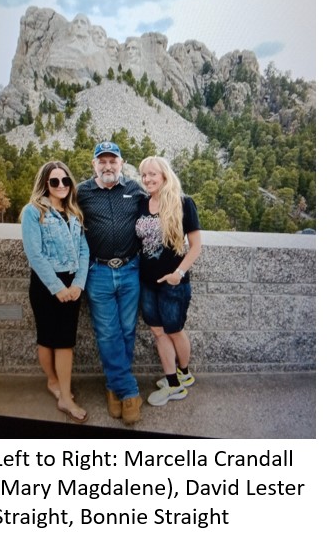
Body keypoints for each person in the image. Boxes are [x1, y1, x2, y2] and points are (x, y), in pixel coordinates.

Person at [77, 141, 146, 425]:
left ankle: (112, 387)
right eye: (101, 161)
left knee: (128, 331)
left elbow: (160, 204)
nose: (107, 166)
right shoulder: (82, 192)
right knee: (107, 333)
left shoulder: (134, 190)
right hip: (99, 272)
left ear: (121, 163)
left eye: (112, 161)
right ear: (94, 164)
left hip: (131, 270)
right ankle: (128, 390)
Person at [21, 161, 89, 423]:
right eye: (54, 181)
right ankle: (55, 385)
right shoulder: (33, 211)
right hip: (46, 284)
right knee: (47, 337)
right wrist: (57, 288)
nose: (61, 185)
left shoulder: (74, 212)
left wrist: (78, 284)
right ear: (45, 184)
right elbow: (34, 254)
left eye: (65, 181)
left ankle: (64, 394)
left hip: (72, 284)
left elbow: (84, 250)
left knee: (65, 340)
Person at [136, 156, 202, 406]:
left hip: (173, 283)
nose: (148, 179)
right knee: (157, 331)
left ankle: (182, 376)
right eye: (144, 175)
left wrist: (179, 273)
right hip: (147, 282)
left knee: (174, 330)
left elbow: (195, 246)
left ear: (164, 175)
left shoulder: (184, 203)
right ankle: (174, 379)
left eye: (153, 174)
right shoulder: (143, 203)